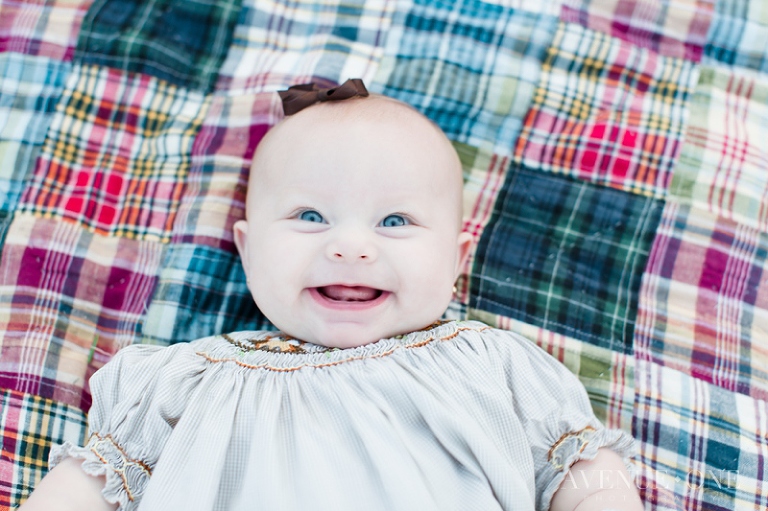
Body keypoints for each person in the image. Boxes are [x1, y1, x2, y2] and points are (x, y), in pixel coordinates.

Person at [19, 80, 643, 511]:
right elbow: (85, 486)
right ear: (248, 247)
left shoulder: (495, 366)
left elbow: (587, 467)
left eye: (394, 222)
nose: (350, 247)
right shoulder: (183, 382)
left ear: (457, 259)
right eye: (310, 216)